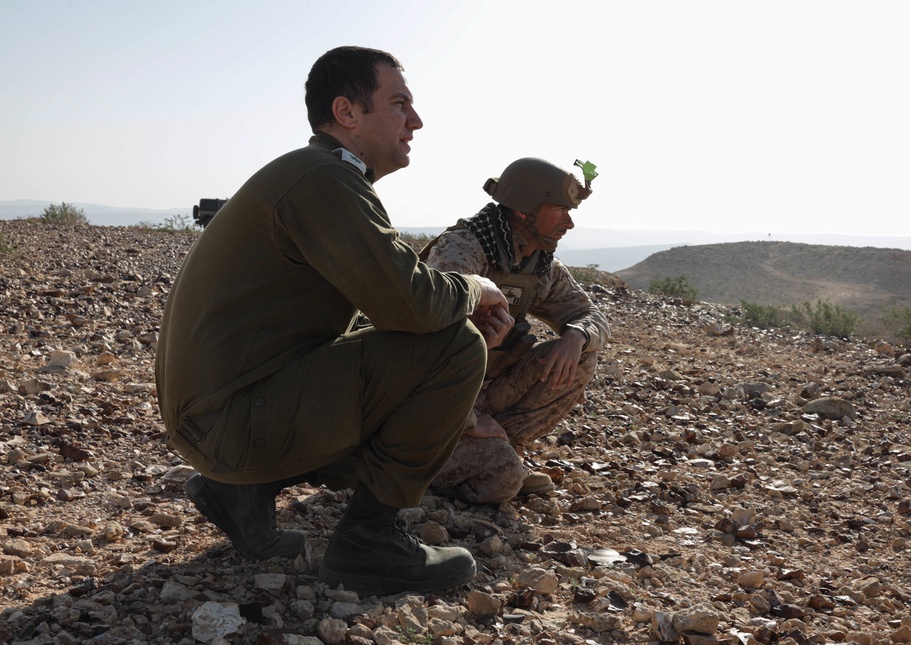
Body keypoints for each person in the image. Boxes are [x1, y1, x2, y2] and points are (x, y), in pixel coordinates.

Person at [154, 46, 514, 597]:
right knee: (456, 347)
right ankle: (369, 543)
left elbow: (389, 309)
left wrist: (439, 318)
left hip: (219, 416)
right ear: (347, 112)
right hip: (229, 423)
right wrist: (475, 290)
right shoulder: (324, 179)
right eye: (399, 104)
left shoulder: (319, 174)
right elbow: (414, 302)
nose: (414, 121)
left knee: (430, 341)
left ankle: (241, 492)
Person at [420, 158, 610, 504]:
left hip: (476, 392)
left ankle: (498, 449)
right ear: (525, 211)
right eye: (561, 210)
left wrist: (575, 336)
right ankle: (424, 465)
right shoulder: (461, 250)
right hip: (428, 401)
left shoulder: (538, 262)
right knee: (504, 481)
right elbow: (426, 348)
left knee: (581, 356)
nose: (569, 222)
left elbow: (589, 314)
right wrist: (467, 421)